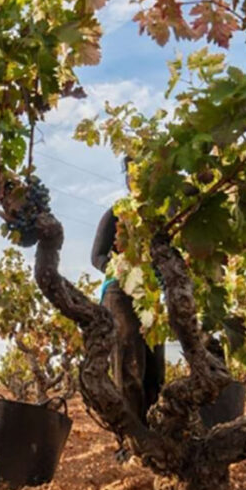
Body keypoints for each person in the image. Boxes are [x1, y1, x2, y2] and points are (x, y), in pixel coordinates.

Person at [90, 157, 165, 433]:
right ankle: (130, 438)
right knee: (129, 364)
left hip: (152, 295)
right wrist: (121, 267)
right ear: (129, 181)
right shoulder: (117, 214)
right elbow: (96, 256)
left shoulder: (160, 219)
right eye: (136, 175)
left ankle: (154, 435)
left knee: (156, 371)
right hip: (120, 292)